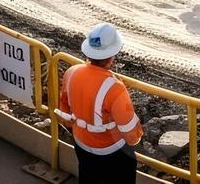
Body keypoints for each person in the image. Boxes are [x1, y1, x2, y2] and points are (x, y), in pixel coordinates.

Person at [56, 23, 143, 183]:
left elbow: (66, 115)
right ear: (112, 56)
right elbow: (131, 136)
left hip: (81, 144)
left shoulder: (72, 72)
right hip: (111, 151)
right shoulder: (115, 88)